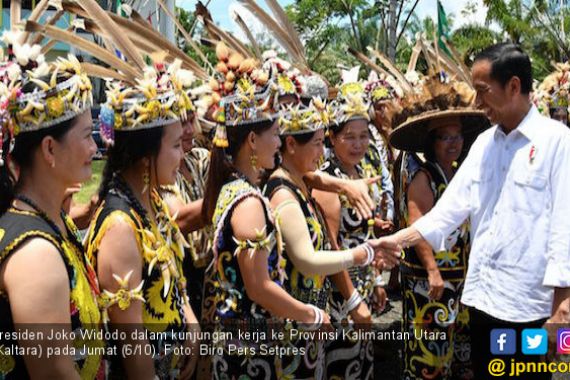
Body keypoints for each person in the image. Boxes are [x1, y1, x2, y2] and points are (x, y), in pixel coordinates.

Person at [387, 43, 570, 380]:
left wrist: (563, 307)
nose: (477, 102)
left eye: (483, 91)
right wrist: (397, 239)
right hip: (484, 301)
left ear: (514, 86)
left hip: (528, 307)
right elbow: (447, 212)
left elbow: (565, 228)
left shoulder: (557, 143)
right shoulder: (485, 144)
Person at [85, 61, 199, 379]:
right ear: (147, 152)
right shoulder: (121, 227)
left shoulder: (153, 202)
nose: (182, 155)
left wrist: (189, 318)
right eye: (175, 145)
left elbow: (171, 277)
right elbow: (133, 348)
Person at [0, 43, 104, 378]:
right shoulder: (35, 255)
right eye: (87, 136)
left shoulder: (53, 221)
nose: (94, 147)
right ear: (49, 148)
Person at [389, 72, 490, 379]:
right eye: (445, 137)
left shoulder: (460, 172)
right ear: (431, 142)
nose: (453, 143)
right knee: (429, 355)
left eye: (457, 136)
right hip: (429, 283)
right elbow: (418, 226)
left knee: (459, 355)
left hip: (460, 279)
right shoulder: (424, 177)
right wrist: (433, 270)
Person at [313, 73, 394, 379]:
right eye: (350, 136)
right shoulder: (328, 182)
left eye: (364, 136)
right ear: (332, 138)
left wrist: (375, 280)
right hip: (338, 293)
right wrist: (352, 299)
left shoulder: (360, 174)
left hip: (361, 283)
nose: (359, 144)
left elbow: (366, 234)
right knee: (344, 365)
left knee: (362, 364)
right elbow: (331, 248)